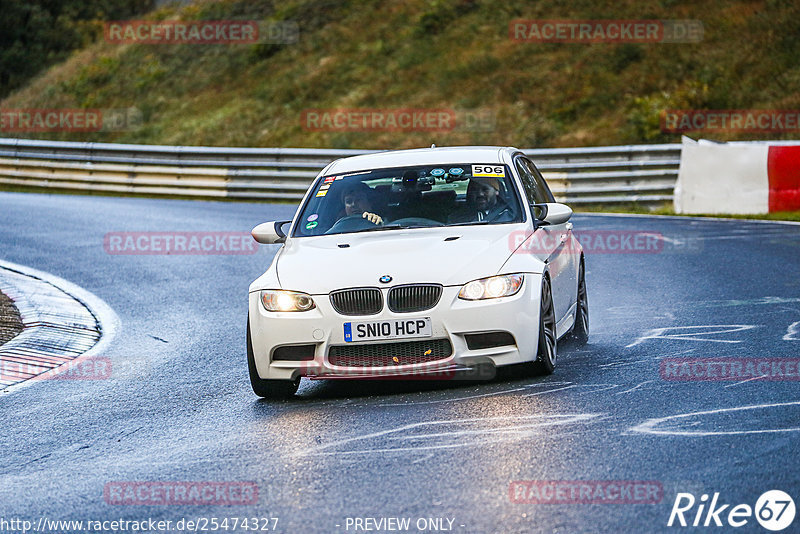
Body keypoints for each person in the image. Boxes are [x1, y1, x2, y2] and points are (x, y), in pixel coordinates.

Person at [447, 177, 512, 224]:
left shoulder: (511, 215)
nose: (479, 194)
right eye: (474, 190)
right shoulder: (457, 218)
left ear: (496, 191)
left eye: (485, 189)